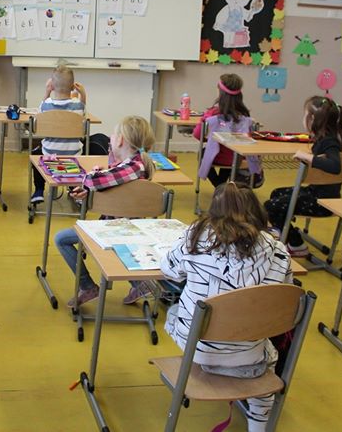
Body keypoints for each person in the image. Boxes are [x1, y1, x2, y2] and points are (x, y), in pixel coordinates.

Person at [160, 182, 293, 432]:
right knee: (268, 352)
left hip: (197, 347)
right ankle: (259, 424)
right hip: (249, 352)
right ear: (257, 211)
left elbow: (168, 269)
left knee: (175, 309)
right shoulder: (278, 251)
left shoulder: (196, 236)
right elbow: (285, 300)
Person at [54, 115, 157, 308]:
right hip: (126, 227)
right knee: (117, 244)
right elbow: (114, 187)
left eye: (113, 135)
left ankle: (87, 286)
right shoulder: (135, 164)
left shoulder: (134, 167)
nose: (110, 138)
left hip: (117, 230)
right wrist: (92, 187)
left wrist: (94, 176)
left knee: (61, 239)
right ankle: (140, 285)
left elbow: (91, 180)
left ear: (120, 140)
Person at [264, 96, 342, 257]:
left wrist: (308, 157)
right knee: (277, 193)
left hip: (322, 202)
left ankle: (296, 244)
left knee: (270, 206)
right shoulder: (325, 139)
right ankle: (286, 232)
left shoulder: (329, 142)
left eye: (305, 115)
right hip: (316, 194)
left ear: (313, 119)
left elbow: (335, 166)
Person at [30, 65, 87, 205]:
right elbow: (84, 114)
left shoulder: (46, 106)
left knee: (35, 154)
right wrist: (83, 95)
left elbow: (38, 116)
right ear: (73, 87)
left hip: (49, 156)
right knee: (84, 151)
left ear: (52, 86)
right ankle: (76, 190)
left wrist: (46, 92)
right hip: (74, 157)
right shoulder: (78, 106)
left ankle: (38, 190)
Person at [195, 74, 263, 188]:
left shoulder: (212, 114)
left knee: (202, 153)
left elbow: (198, 135)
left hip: (216, 157)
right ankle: (221, 186)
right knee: (230, 152)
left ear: (220, 93)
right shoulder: (245, 116)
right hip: (238, 157)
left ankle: (219, 186)